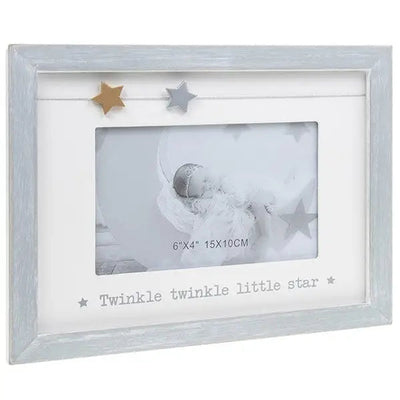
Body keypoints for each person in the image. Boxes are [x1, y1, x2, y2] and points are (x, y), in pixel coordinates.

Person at [157, 163, 276, 267]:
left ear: (206, 169)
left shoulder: (226, 180)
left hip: (250, 200)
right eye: (203, 190)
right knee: (217, 228)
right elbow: (202, 213)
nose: (208, 186)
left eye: (206, 179)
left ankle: (265, 234)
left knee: (259, 200)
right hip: (240, 218)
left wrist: (243, 197)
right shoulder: (207, 204)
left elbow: (246, 191)